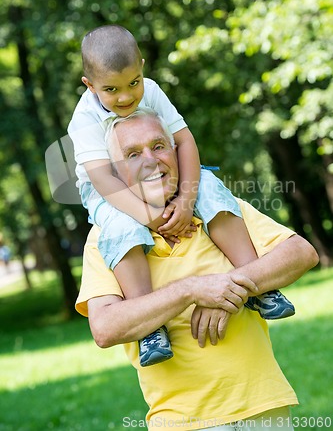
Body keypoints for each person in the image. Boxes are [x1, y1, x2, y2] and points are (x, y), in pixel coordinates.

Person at [75, 110, 319, 430]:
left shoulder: (216, 208)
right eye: (133, 154)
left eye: (159, 146)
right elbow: (106, 328)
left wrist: (226, 288)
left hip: (265, 408)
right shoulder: (106, 239)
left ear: (178, 154)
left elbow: (301, 253)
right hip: (183, 422)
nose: (151, 160)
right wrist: (191, 290)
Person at [68, 24, 294, 367]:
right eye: (111, 90)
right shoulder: (84, 118)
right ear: (89, 85)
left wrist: (187, 199)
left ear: (142, 67)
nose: (126, 97)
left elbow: (185, 142)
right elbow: (102, 178)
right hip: (107, 190)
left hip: (159, 175)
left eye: (134, 83)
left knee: (210, 188)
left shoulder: (153, 91)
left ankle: (256, 281)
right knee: (121, 230)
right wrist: (150, 218)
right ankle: (151, 328)